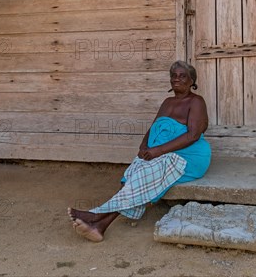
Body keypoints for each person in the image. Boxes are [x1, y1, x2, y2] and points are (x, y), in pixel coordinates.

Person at [68, 60, 211, 242]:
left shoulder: (196, 101)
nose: (177, 79)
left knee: (144, 173)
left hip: (189, 156)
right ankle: (99, 227)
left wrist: (158, 150)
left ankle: (96, 215)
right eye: (173, 76)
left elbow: (193, 135)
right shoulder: (167, 102)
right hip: (163, 153)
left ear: (192, 81)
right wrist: (143, 147)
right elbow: (153, 128)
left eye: (183, 76)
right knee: (133, 172)